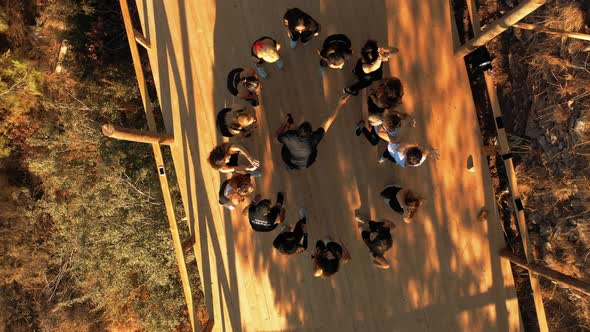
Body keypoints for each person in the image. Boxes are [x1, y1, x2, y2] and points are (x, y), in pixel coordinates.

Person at [277, 96, 350, 170]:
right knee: (313, 153)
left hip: (288, 159)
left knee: (285, 141)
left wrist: (284, 124)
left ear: (298, 130)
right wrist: (339, 104)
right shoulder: (314, 139)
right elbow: (328, 121)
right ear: (311, 133)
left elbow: (275, 139)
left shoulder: (290, 137)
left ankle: (290, 165)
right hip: (302, 165)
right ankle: (291, 166)